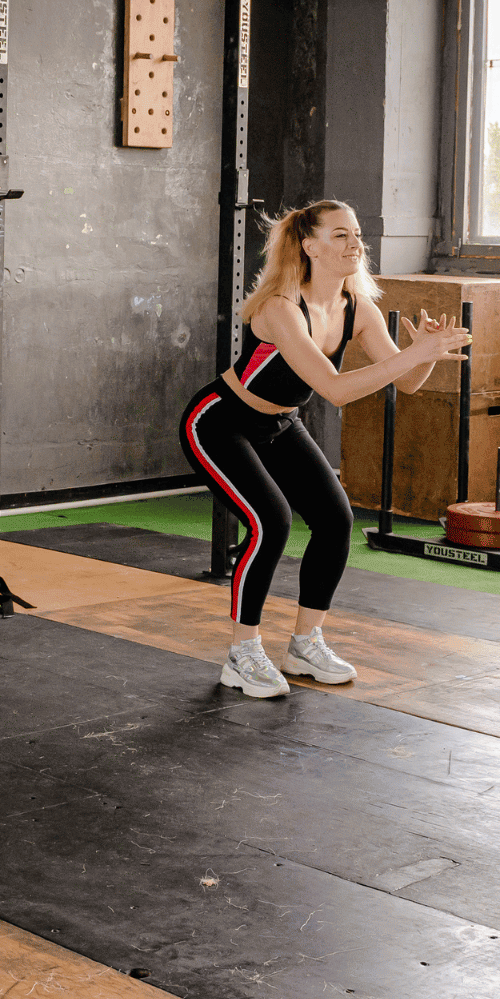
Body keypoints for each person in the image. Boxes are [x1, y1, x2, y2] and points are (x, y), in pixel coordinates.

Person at [179, 200, 470, 697]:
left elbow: (410, 382)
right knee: (270, 520)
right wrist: (416, 355)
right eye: (340, 235)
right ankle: (242, 652)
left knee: (336, 519)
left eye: (357, 234)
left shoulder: (358, 309)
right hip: (219, 422)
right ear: (308, 246)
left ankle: (304, 643)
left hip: (278, 423)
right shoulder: (279, 308)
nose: (355, 243)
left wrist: (426, 353)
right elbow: (335, 390)